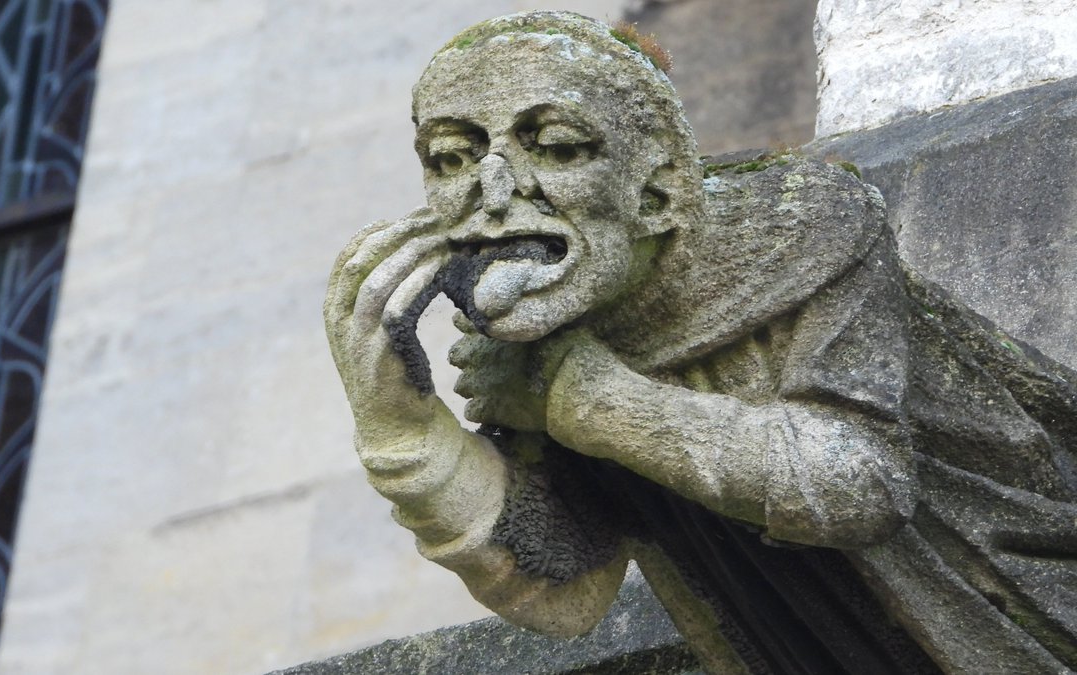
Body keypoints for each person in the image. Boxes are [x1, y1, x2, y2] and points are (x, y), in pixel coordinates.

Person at [324, 12, 1077, 673]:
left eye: (552, 145)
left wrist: (581, 399)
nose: (491, 192)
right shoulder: (529, 336)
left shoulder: (800, 226)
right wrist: (407, 436)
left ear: (657, 192)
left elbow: (862, 481)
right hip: (790, 635)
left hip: (1002, 573)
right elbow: (571, 592)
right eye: (451, 157)